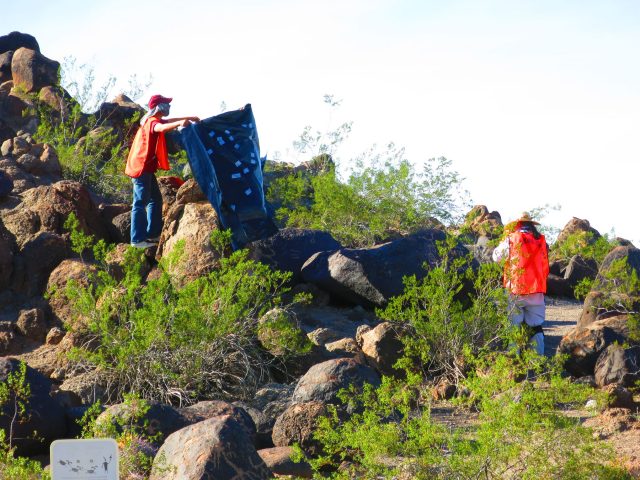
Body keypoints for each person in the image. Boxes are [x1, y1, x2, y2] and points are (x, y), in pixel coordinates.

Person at [125, 94, 199, 248]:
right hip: (141, 168)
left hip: (146, 168)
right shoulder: (152, 122)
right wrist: (181, 123)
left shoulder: (151, 120)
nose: (168, 107)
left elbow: (168, 122)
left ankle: (153, 234)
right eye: (166, 104)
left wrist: (189, 117)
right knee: (140, 202)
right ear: (158, 107)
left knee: (155, 199)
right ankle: (137, 240)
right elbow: (162, 127)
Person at [492, 212, 550, 355]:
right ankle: (537, 362)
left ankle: (514, 362)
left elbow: (496, 258)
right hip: (536, 289)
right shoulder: (541, 241)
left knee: (513, 326)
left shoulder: (512, 239)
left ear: (517, 224)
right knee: (536, 326)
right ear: (531, 225)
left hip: (515, 290)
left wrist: (504, 239)